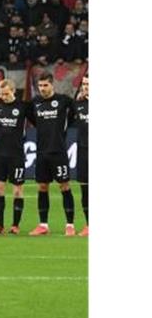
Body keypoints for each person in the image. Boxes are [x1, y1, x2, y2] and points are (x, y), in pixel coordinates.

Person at [27, 72, 78, 236]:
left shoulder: (63, 101)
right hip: (42, 152)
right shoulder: (35, 103)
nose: (42, 89)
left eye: (45, 85)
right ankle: (43, 225)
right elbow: (33, 120)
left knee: (64, 186)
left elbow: (75, 113)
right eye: (40, 86)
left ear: (52, 85)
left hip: (59, 151)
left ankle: (70, 225)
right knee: (42, 187)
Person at [0, 79, 29, 234]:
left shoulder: (22, 107)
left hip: (16, 154)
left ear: (13, 91)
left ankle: (15, 225)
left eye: (6, 94)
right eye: (1, 94)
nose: (4, 97)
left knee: (18, 191)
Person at [74, 76, 88, 236]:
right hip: (84, 151)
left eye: (88, 84)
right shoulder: (79, 104)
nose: (85, 87)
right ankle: (88, 224)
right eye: (83, 84)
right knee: (85, 189)